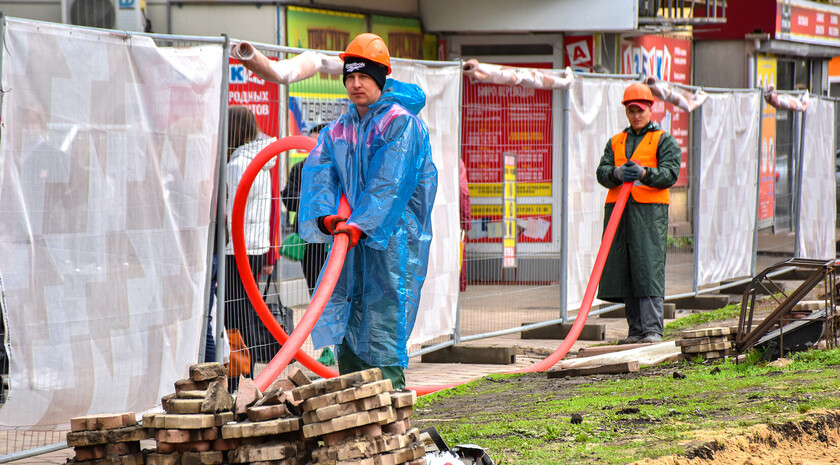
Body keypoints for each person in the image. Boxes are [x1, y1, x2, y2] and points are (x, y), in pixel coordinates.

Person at [298, 33, 437, 389]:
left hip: (389, 242)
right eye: (350, 76)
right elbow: (320, 172)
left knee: (384, 318)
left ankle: (391, 407)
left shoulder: (400, 123)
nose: (356, 84)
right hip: (348, 240)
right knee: (346, 311)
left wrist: (361, 223)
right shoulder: (339, 129)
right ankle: (353, 406)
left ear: (381, 78)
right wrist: (326, 216)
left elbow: (390, 182)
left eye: (364, 76)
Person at [595, 82, 680, 345]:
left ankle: (652, 330)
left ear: (650, 109)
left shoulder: (662, 139)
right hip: (619, 214)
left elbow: (670, 173)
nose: (636, 115)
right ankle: (635, 331)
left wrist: (645, 174)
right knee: (626, 269)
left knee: (648, 268)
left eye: (640, 110)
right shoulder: (616, 141)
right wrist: (615, 173)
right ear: (626, 111)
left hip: (649, 215)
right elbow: (602, 172)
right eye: (631, 110)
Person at [224, 106, 276, 389]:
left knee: (233, 314)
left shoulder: (237, 165)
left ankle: (239, 378)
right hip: (256, 245)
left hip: (238, 247)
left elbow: (231, 212)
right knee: (244, 311)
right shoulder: (261, 159)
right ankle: (246, 375)